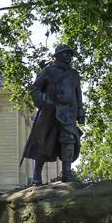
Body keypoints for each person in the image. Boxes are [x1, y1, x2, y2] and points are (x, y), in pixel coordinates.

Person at [21, 44, 85, 184]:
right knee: (43, 142)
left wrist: (80, 110)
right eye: (65, 53)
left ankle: (67, 173)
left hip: (68, 112)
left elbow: (78, 93)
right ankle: (37, 176)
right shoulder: (48, 71)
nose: (69, 56)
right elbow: (35, 88)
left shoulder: (74, 74)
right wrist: (44, 100)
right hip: (50, 111)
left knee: (68, 139)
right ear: (57, 55)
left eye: (70, 54)